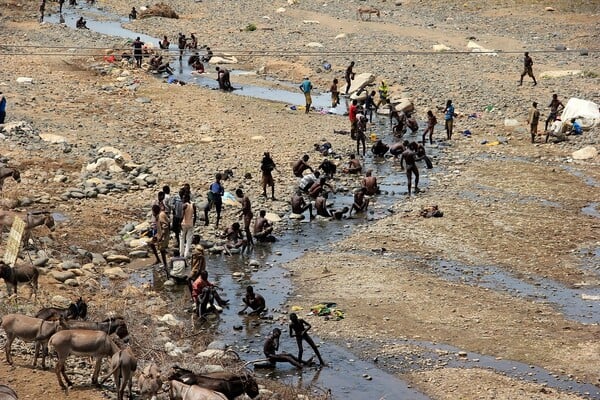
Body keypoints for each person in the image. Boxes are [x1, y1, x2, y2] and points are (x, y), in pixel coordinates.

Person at [148, 204, 170, 272]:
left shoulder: (161, 216)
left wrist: (162, 236)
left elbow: (165, 226)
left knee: (162, 250)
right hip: (159, 234)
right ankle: (158, 259)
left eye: (153, 212)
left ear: (155, 211)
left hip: (163, 236)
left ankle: (165, 265)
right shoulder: (159, 215)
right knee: (151, 243)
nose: (153, 214)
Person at [179, 192, 196, 258]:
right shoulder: (193, 204)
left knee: (182, 238)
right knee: (189, 239)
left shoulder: (184, 205)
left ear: (186, 198)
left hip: (184, 223)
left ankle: (181, 253)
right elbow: (195, 215)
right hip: (190, 223)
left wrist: (179, 223)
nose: (182, 199)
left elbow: (182, 216)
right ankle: (186, 254)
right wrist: (193, 223)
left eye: (183, 198)